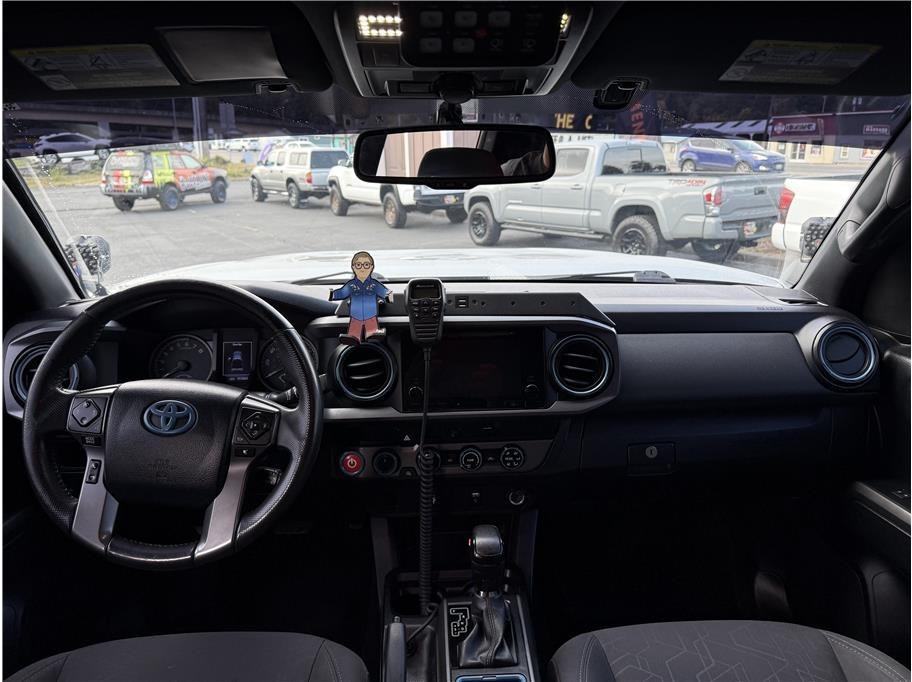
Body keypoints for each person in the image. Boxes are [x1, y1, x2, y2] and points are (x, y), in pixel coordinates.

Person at [329, 251, 392, 345]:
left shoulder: (374, 284)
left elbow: (384, 292)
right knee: (355, 327)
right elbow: (342, 292)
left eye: (366, 265)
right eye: (358, 265)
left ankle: (373, 334)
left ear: (371, 267)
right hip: (355, 314)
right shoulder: (351, 285)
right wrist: (333, 294)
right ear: (353, 267)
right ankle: (353, 338)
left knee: (371, 325)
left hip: (371, 314)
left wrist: (388, 297)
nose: (362, 268)